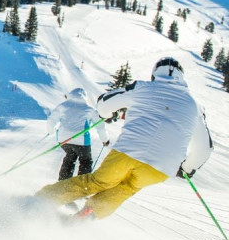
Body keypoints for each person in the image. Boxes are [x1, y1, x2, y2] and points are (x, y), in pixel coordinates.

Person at [36, 57, 213, 220]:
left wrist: (107, 113)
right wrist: (187, 169)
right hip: (161, 167)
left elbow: (104, 104)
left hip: (128, 152)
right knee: (128, 187)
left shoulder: (142, 87)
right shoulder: (195, 106)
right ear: (182, 78)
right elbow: (205, 148)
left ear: (154, 74)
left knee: (96, 182)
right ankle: (90, 213)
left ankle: (40, 202)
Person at [46, 87, 110, 180]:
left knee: (70, 158)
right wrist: (105, 140)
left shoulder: (63, 105)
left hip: (63, 139)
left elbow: (51, 119)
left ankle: (62, 183)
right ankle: (81, 185)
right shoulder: (89, 108)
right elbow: (100, 126)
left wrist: (50, 131)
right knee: (86, 161)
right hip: (81, 140)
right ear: (85, 97)